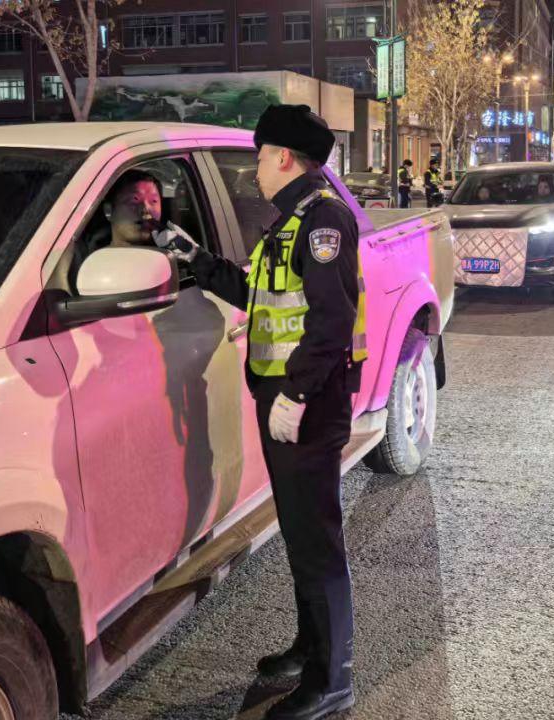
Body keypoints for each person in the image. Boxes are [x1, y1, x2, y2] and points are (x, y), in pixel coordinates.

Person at [154, 104, 364, 720]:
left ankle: (332, 680)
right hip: (287, 399)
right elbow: (258, 294)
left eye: (261, 157)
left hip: (309, 404)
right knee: (300, 533)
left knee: (317, 540)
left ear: (285, 157)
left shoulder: (323, 220)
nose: (255, 170)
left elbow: (332, 321)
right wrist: (197, 261)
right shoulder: (291, 221)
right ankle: (309, 647)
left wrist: (295, 395)